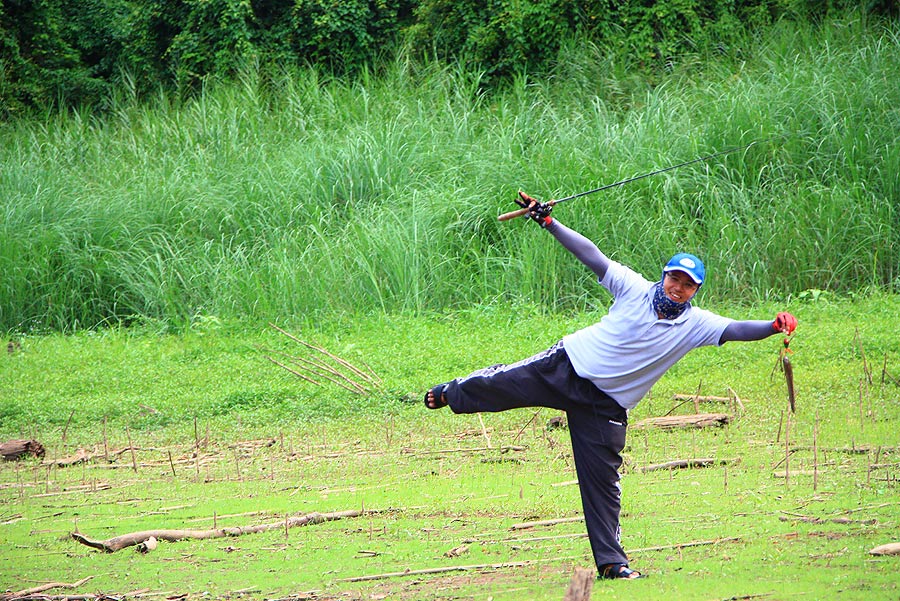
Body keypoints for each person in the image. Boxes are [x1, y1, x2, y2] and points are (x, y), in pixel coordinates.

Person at [424, 191, 798, 580]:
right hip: (568, 366)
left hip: (606, 407)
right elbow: (591, 255)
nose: (678, 287)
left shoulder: (696, 324)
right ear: (664, 275)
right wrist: (549, 222)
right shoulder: (633, 287)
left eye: (688, 285)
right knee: (501, 383)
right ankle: (452, 392)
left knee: (603, 485)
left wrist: (772, 327)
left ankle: (612, 564)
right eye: (674, 278)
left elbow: (736, 329)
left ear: (696, 291)